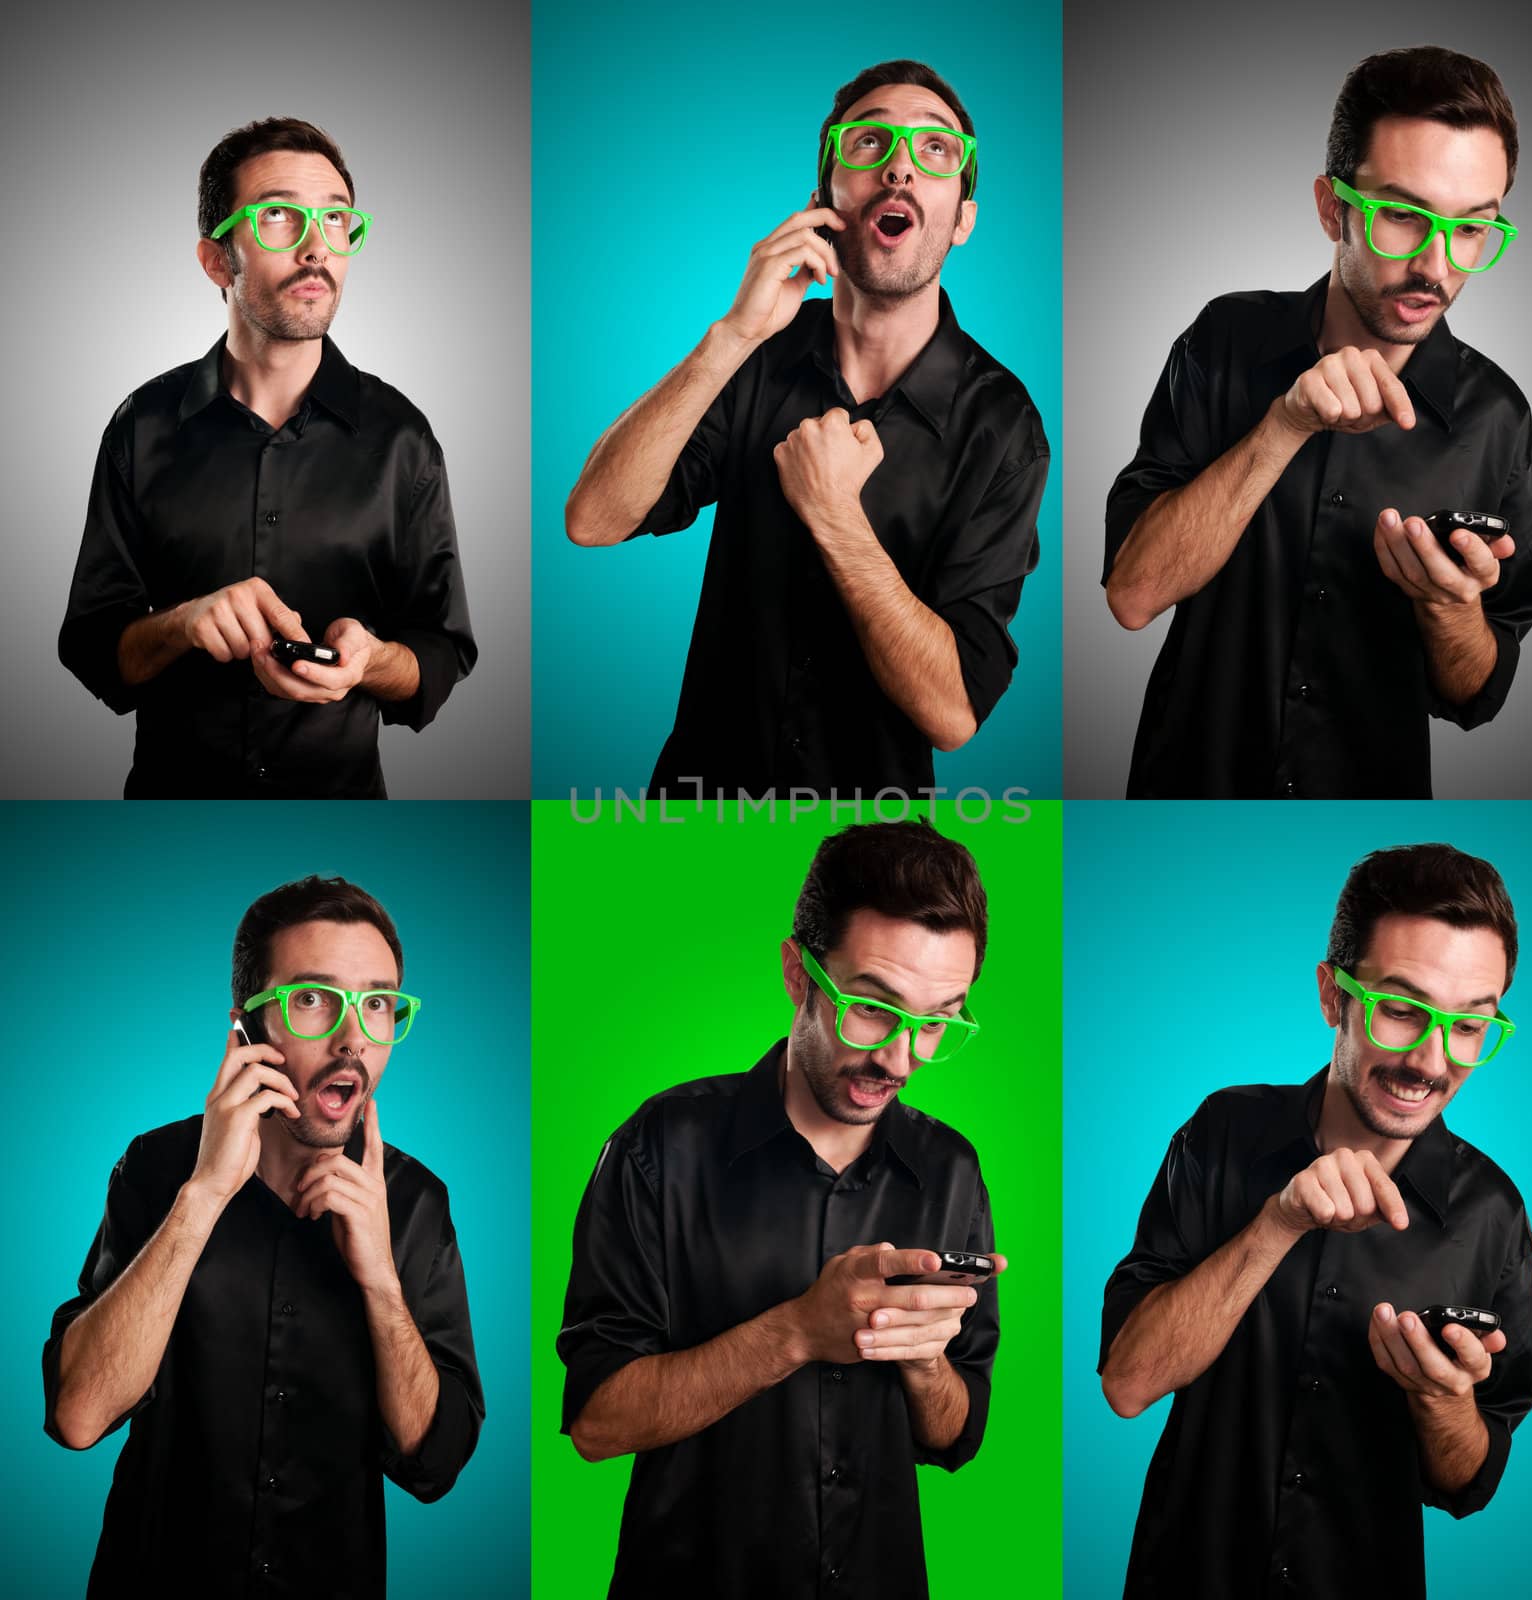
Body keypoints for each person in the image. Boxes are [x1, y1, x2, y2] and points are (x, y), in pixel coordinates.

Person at [564, 60, 1048, 799]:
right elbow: (593, 519)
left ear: (964, 218)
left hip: (868, 833)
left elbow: (953, 712)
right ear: (824, 200)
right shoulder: (755, 358)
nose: (898, 170)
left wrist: (833, 515)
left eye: (935, 150)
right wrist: (731, 336)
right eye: (869, 145)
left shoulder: (1003, 424)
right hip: (692, 816)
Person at [557, 820, 1008, 1596]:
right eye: (872, 1008)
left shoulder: (952, 1170)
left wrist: (924, 1357)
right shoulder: (658, 1146)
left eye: (936, 1021)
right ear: (798, 975)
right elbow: (598, 1423)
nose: (901, 1058)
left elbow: (955, 1437)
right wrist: (797, 1331)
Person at [1103, 47, 1532, 798]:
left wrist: (1450, 608)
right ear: (1331, 207)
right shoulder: (1225, 338)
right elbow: (1134, 595)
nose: (1437, 265)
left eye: (1472, 228)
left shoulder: (1499, 417)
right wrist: (1283, 425)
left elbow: (1478, 693)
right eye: (1403, 215)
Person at [1099, 843, 1532, 1597]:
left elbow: (1470, 1483)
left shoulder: (1494, 1212)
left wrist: (1444, 1401)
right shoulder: (1223, 1131)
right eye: (1401, 1009)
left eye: (1470, 1026)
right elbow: (1129, 1384)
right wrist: (1277, 1223)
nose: (1433, 1060)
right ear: (1333, 996)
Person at [43, 876, 484, 1596]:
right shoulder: (157, 1169)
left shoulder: (417, 1204)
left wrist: (379, 1281)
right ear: (246, 1031)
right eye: (313, 999)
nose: (352, 1038)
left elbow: (431, 1466)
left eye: (377, 1003)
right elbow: (79, 1416)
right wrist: (204, 1197)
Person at [59, 118, 476, 799]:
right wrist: (183, 624)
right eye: (280, 215)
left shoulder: (403, 437)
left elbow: (441, 649)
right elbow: (94, 649)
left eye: (337, 220)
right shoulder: (141, 426)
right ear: (217, 261)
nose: (318, 247)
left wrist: (370, 663)